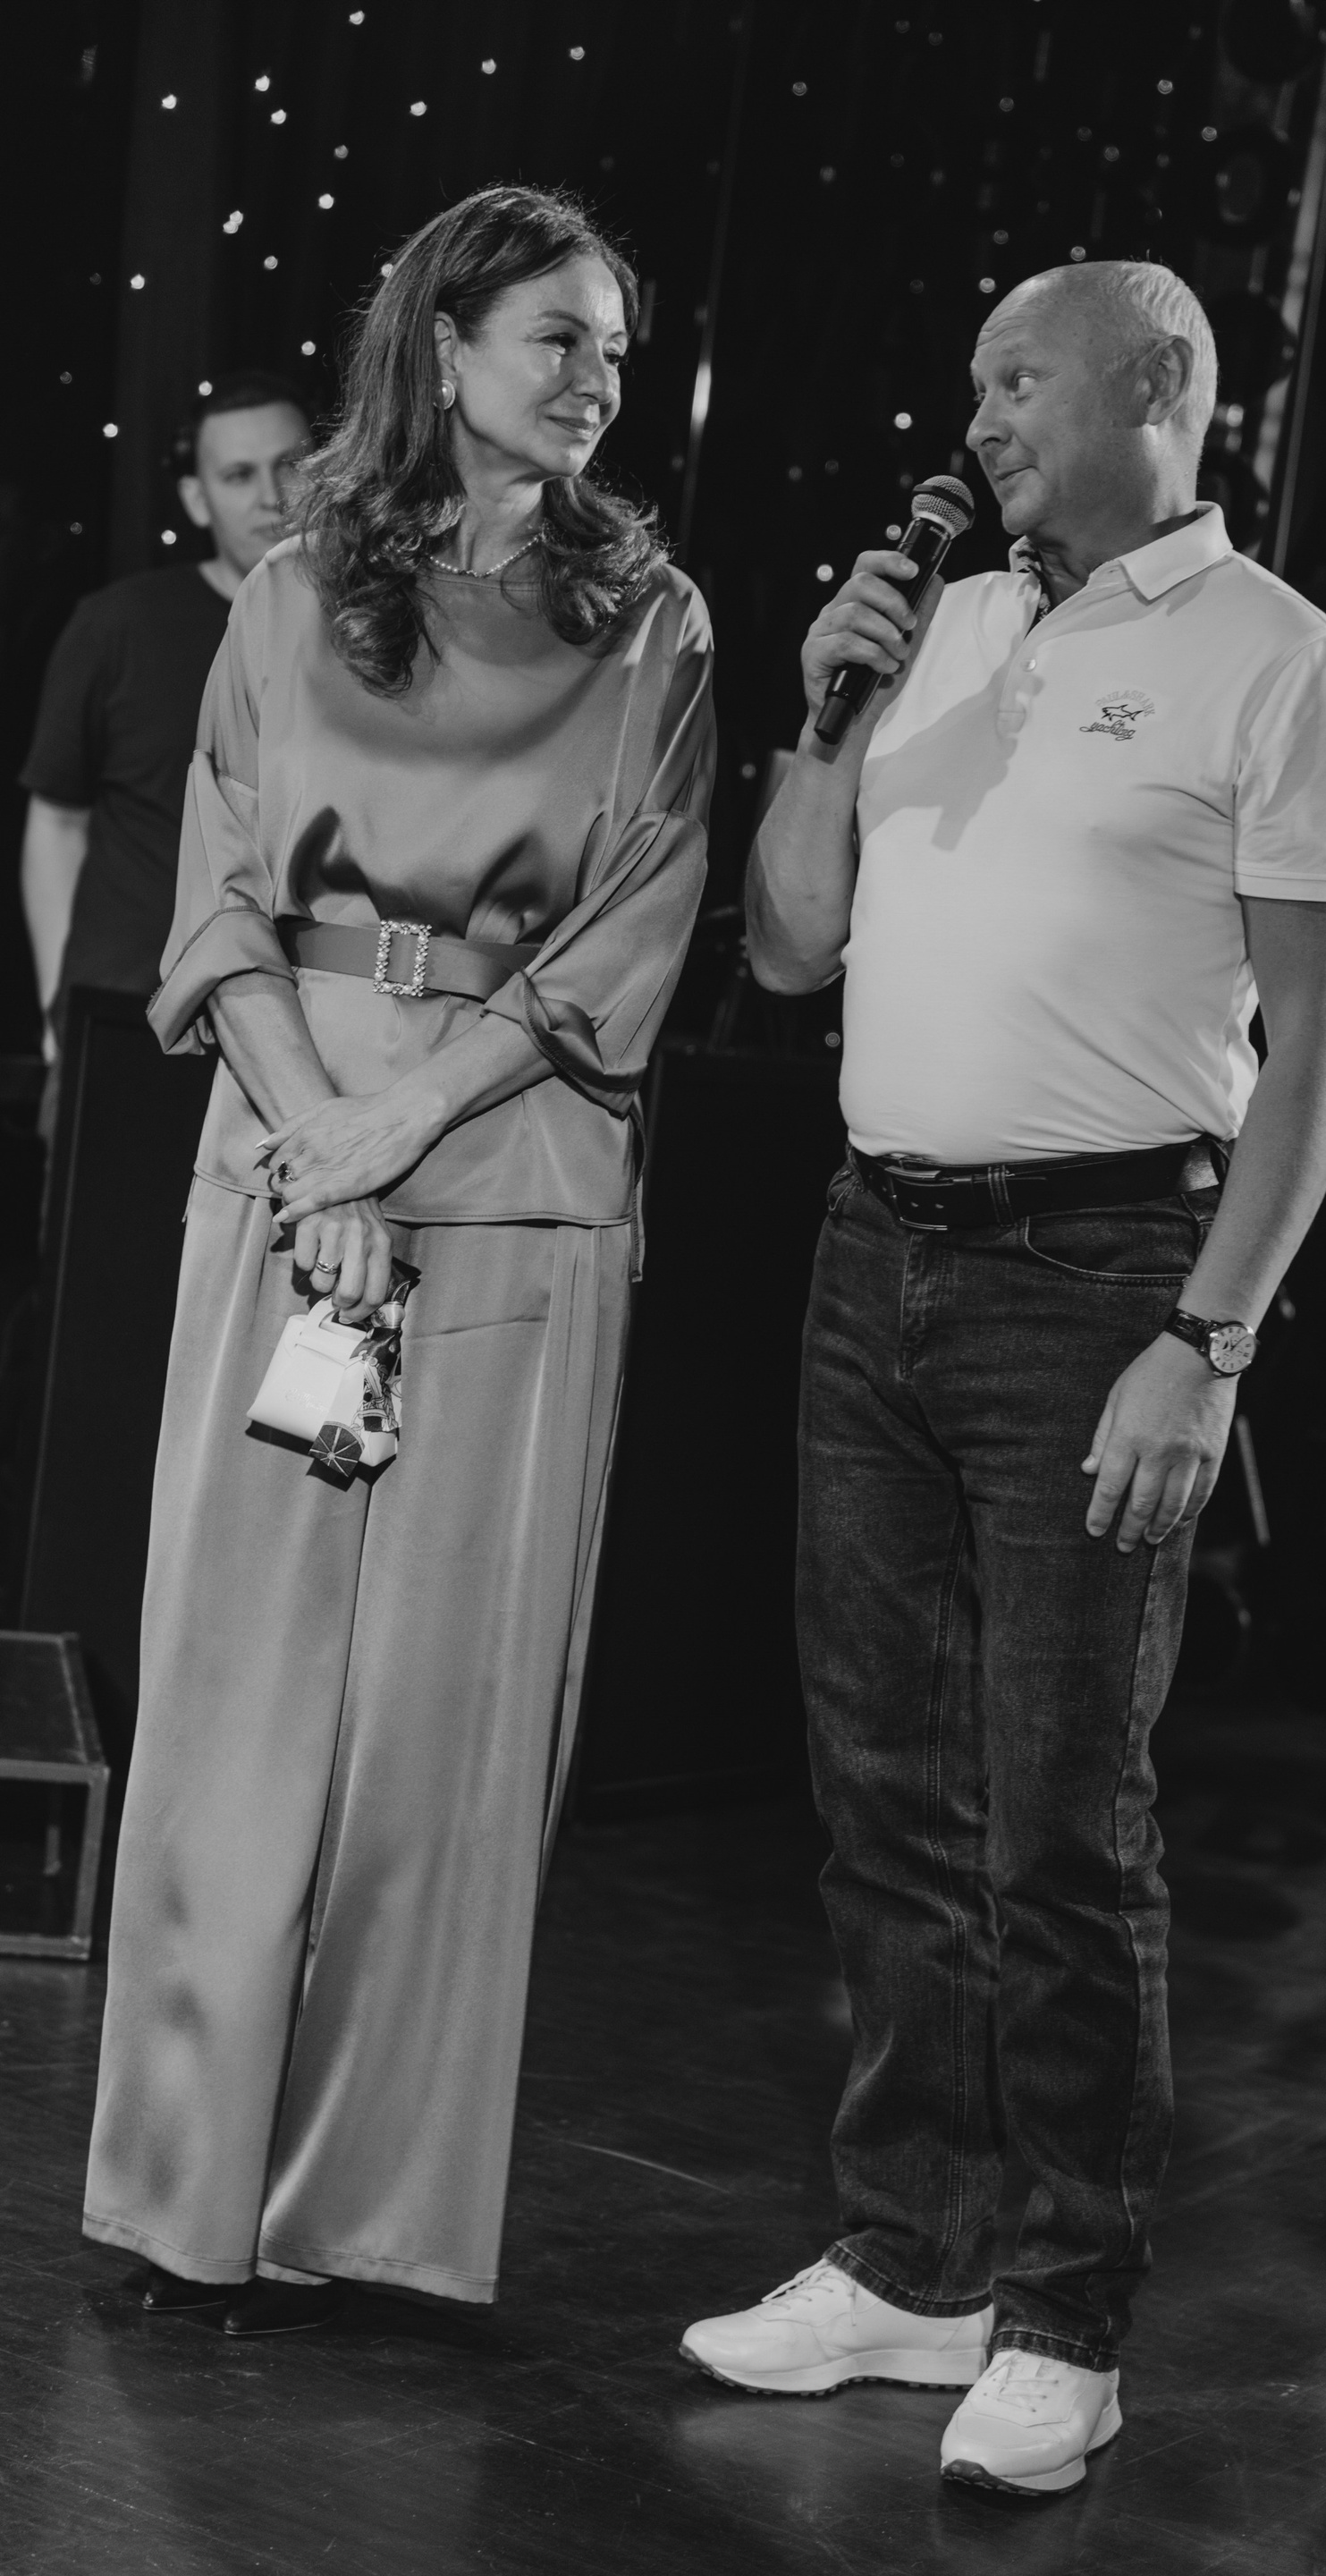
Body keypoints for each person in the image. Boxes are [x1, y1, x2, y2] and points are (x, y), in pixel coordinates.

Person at [680, 260, 1326, 2496]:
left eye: (1018, 379)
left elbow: (1324, 1047)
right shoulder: (947, 626)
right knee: (887, 1796)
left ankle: (1063, 2317)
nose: (978, 419)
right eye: (974, 381)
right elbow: (789, 945)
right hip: (870, 1249)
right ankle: (912, 2258)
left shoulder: (1281, 662)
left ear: (1158, 386)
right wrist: (829, 720)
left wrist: (1209, 1338)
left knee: (1061, 1824)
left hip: (1100, 1277)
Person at [82, 185, 714, 2334]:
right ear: (443, 345)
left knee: (447, 1715)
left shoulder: (654, 620)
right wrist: (316, 1136)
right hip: (289, 1152)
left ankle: (366, 2219)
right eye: (557, 335)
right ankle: (187, 2192)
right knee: (237, 1695)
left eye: (614, 345)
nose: (596, 376)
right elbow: (217, 901)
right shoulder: (287, 593)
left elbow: (634, 927)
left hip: (515, 1160)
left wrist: (399, 1120)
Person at [19, 375, 310, 1067]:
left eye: (290, 465)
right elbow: (57, 822)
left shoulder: (367, 633)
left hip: (305, 1022)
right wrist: (58, 1007)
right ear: (196, 498)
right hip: (128, 1014)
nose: (270, 495)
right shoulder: (117, 626)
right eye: (238, 475)